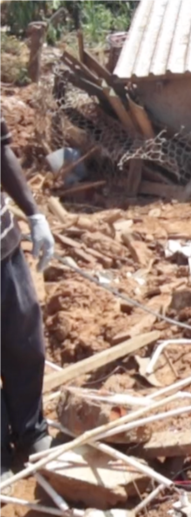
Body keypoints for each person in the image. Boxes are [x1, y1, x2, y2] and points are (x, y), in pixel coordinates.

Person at [0, 112, 55, 483]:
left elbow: (0, 150)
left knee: (24, 340)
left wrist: (35, 215)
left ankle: (31, 430)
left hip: (2, 249)